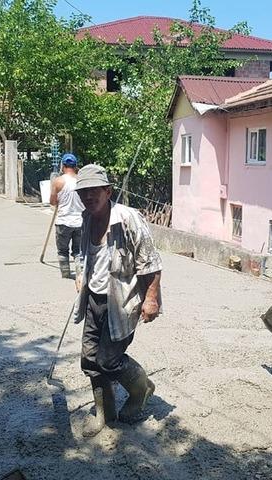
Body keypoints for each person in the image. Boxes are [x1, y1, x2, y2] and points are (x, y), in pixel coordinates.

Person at [71, 164, 163, 437]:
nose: (87, 197)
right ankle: (105, 412)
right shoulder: (87, 218)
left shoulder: (128, 218)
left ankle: (141, 388)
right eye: (83, 192)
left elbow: (152, 263)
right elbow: (83, 253)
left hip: (122, 302)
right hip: (94, 300)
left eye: (93, 191)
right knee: (89, 359)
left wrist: (152, 299)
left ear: (108, 190)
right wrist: (80, 275)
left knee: (108, 360)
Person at [50, 153, 84, 278]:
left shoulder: (58, 181)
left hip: (63, 221)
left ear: (63, 166)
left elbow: (53, 202)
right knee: (79, 251)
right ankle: (80, 273)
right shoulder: (81, 181)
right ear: (75, 166)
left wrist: (60, 200)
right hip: (80, 221)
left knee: (62, 250)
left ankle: (65, 273)